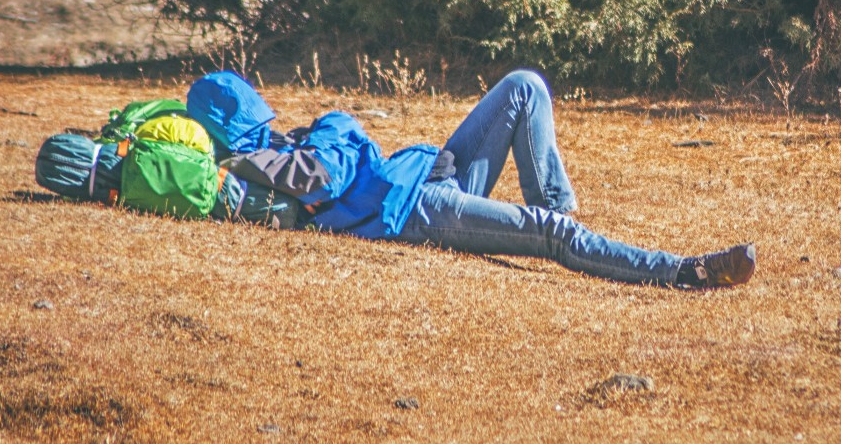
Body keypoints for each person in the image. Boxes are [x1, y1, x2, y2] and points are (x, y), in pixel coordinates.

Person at [183, 68, 756, 289]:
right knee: (549, 237)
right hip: (415, 211)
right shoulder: (253, 163)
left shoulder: (282, 142)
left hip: (435, 171)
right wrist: (332, 131)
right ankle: (687, 271)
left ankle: (558, 208)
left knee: (524, 87)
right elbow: (322, 181)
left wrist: (331, 129)